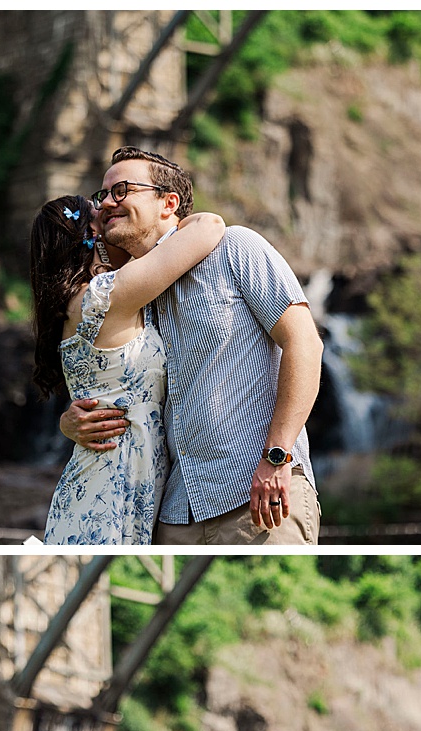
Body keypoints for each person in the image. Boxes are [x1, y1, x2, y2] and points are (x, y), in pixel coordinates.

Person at [60, 147, 323, 544]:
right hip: (172, 512)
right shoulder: (130, 293)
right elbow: (116, 381)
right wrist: (69, 422)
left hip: (256, 494)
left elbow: (304, 343)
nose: (107, 203)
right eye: (103, 195)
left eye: (122, 190)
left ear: (169, 202)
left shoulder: (236, 247)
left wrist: (278, 456)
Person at [30, 188, 226, 545]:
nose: (115, 226)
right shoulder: (105, 296)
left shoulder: (83, 300)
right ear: (94, 241)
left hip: (119, 473)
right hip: (111, 483)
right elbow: (209, 225)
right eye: (106, 224)